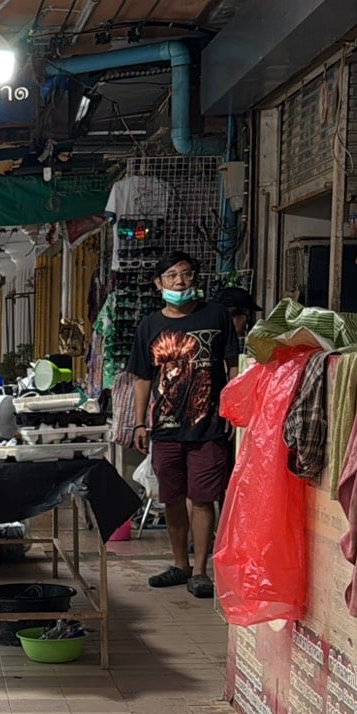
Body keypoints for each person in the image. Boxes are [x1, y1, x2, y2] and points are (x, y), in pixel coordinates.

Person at [126, 252, 239, 599]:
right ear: (158, 284)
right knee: (172, 498)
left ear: (195, 278)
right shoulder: (149, 326)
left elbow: (233, 366)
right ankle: (180, 565)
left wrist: (232, 409)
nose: (180, 281)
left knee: (203, 499)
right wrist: (139, 423)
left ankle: (201, 571)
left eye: (187, 274)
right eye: (172, 276)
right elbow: (142, 378)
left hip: (209, 427)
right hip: (166, 428)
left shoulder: (216, 315)